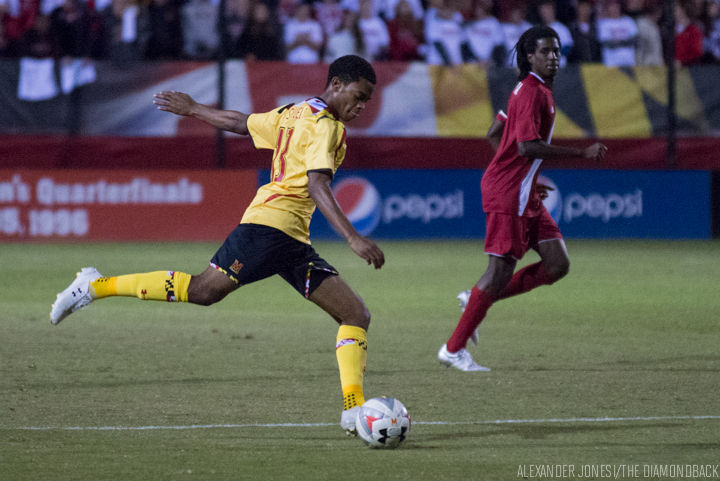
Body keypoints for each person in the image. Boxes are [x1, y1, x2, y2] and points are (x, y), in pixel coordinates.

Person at [50, 55, 385, 434]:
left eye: (367, 101)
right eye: (358, 96)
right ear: (337, 84)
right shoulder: (327, 127)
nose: (360, 107)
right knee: (204, 290)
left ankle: (352, 410)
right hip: (268, 229)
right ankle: (94, 286)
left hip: (291, 238)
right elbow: (317, 184)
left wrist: (194, 109)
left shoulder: (295, 111)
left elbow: (242, 124)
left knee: (356, 315)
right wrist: (353, 237)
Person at [437, 26, 607, 372]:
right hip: (510, 192)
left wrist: (527, 175)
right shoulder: (532, 93)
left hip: (522, 188)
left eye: (557, 51)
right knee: (499, 269)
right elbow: (526, 146)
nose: (553, 57)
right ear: (530, 56)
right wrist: (581, 153)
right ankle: (453, 350)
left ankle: (476, 301)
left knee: (557, 264)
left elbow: (495, 133)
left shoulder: (526, 89)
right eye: (545, 51)